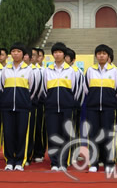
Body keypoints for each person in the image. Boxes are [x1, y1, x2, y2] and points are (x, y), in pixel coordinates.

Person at [83, 44, 117, 173]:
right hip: (93, 108)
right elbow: (86, 88)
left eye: (104, 53)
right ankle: (94, 163)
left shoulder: (115, 71)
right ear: (96, 56)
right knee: (93, 135)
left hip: (108, 108)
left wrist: (109, 100)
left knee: (108, 135)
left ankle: (108, 163)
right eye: (99, 53)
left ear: (108, 56)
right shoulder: (90, 70)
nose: (101, 55)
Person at [0, 43, 35, 171]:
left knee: (21, 134)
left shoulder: (29, 70)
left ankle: (20, 161)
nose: (15, 53)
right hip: (7, 107)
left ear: (23, 55)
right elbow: (2, 86)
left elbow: (33, 89)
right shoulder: (5, 69)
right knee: (8, 134)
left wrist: (24, 100)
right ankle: (9, 160)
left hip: (23, 107)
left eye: (18, 51)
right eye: (13, 51)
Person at [41, 42, 77, 171]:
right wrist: (50, 101)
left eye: (60, 52)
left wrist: (69, 102)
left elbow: (76, 90)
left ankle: (63, 162)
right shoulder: (47, 70)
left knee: (65, 135)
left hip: (66, 108)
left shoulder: (70, 71)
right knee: (52, 135)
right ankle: (54, 162)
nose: (57, 54)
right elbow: (44, 90)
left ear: (64, 54)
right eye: (55, 52)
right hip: (51, 108)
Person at [33, 48, 47, 163]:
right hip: (28, 102)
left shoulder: (44, 70)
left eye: (39, 55)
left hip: (40, 102)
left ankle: (40, 151)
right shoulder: (28, 69)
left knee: (40, 128)